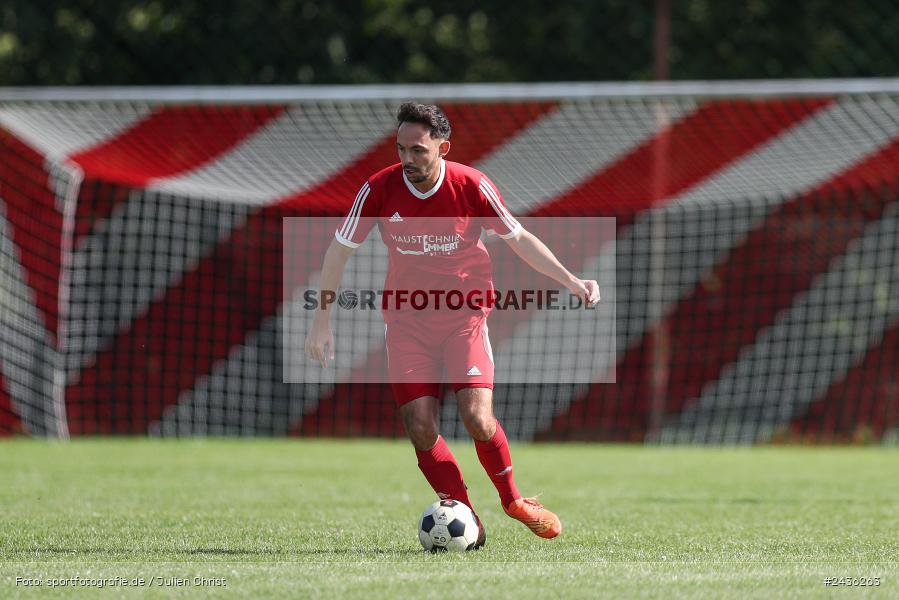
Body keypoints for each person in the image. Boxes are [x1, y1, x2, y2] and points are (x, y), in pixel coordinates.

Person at [305, 102, 599, 546]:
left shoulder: (472, 185)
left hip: (464, 317)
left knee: (478, 419)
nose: (408, 159)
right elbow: (338, 251)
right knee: (420, 426)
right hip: (407, 322)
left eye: (418, 150)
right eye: (401, 149)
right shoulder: (378, 189)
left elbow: (517, 238)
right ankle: (467, 517)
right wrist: (321, 321)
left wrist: (571, 280)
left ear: (443, 147)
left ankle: (515, 500)